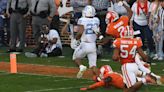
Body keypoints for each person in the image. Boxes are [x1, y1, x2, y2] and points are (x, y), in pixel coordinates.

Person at [112, 26, 156, 92]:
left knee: (131, 88)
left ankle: (145, 80)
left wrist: (118, 57)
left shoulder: (118, 41)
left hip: (126, 66)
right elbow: (144, 56)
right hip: (134, 65)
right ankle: (144, 80)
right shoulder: (136, 41)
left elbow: (115, 57)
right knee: (126, 85)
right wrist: (147, 61)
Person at [72, 5, 100, 78]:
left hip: (84, 44)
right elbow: (98, 33)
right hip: (93, 45)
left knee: (75, 58)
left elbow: (80, 32)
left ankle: (81, 67)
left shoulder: (82, 20)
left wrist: (76, 40)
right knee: (93, 65)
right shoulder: (96, 20)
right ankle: (99, 79)